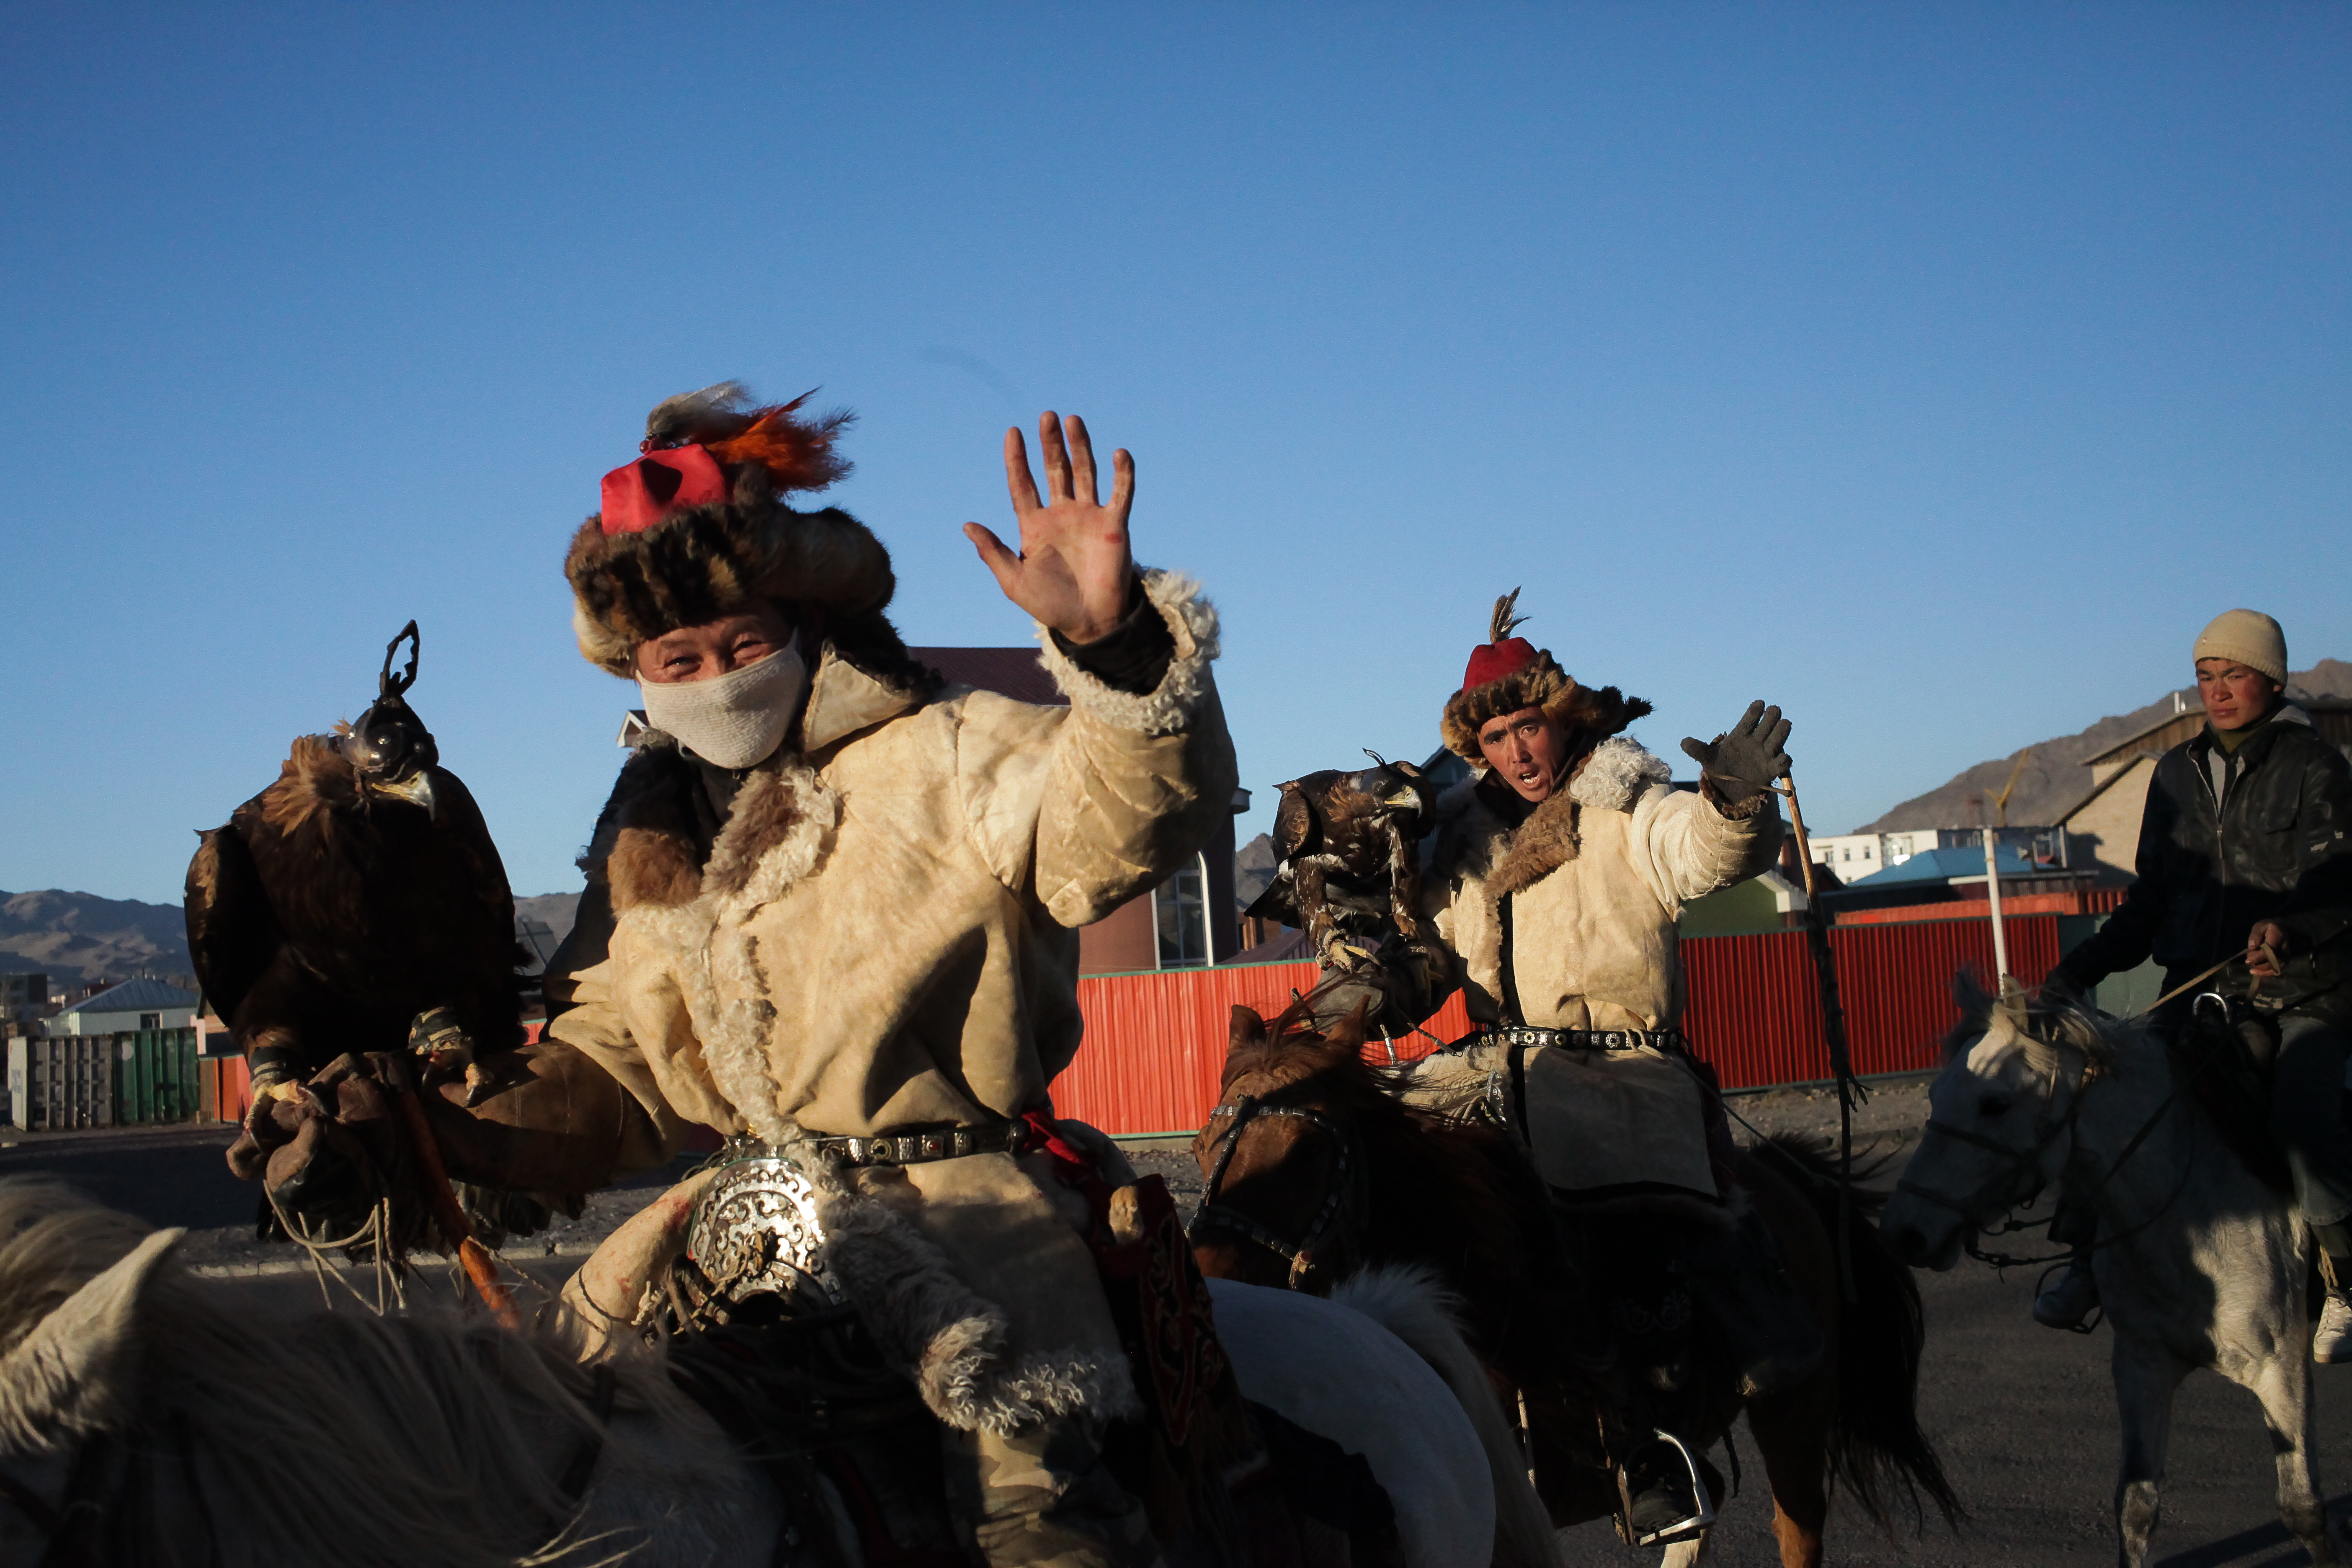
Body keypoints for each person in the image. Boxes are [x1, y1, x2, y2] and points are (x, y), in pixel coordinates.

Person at [248, 384, 1237, 1568]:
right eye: (679, 655)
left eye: (745, 641)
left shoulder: (952, 748)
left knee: (1041, 1534)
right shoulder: (645, 841)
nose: (716, 676)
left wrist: (1113, 651)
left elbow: (1132, 819)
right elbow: (616, 1062)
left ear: (808, 624)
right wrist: (420, 1133)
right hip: (734, 1235)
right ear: (638, 673)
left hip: (972, 1234)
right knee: (551, 1455)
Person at [1315, 590, 1821, 1546]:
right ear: (1476, 748)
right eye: (1497, 735)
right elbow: (1435, 964)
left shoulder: (1634, 806)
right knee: (1367, 1174)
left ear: (1566, 719)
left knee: (1612, 1222)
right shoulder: (1459, 843)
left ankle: (1655, 1447)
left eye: (1529, 725)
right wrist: (1367, 992)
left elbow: (1710, 852)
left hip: (1623, 1072)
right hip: (1491, 1070)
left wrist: (1739, 804)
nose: (1517, 749)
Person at [2043, 609, 2352, 1358]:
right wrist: (2076, 971)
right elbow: (2151, 901)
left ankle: (2345, 1283)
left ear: (2272, 681)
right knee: (2106, 1098)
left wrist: (2291, 930)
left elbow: (2342, 881)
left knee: (2302, 1119)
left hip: (2304, 990)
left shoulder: (2316, 765)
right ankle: (2084, 1259)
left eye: (2234, 675)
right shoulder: (2174, 773)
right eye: (2206, 677)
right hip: (2196, 989)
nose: (2217, 691)